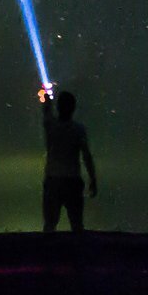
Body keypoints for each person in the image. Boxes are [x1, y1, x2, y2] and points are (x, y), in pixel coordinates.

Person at [38, 85, 97, 233]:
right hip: (72, 181)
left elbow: (46, 110)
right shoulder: (78, 130)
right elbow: (86, 156)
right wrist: (93, 179)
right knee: (77, 224)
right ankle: (78, 254)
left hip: (53, 180)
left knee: (50, 225)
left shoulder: (51, 126)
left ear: (58, 107)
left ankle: (48, 254)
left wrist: (45, 92)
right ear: (73, 108)